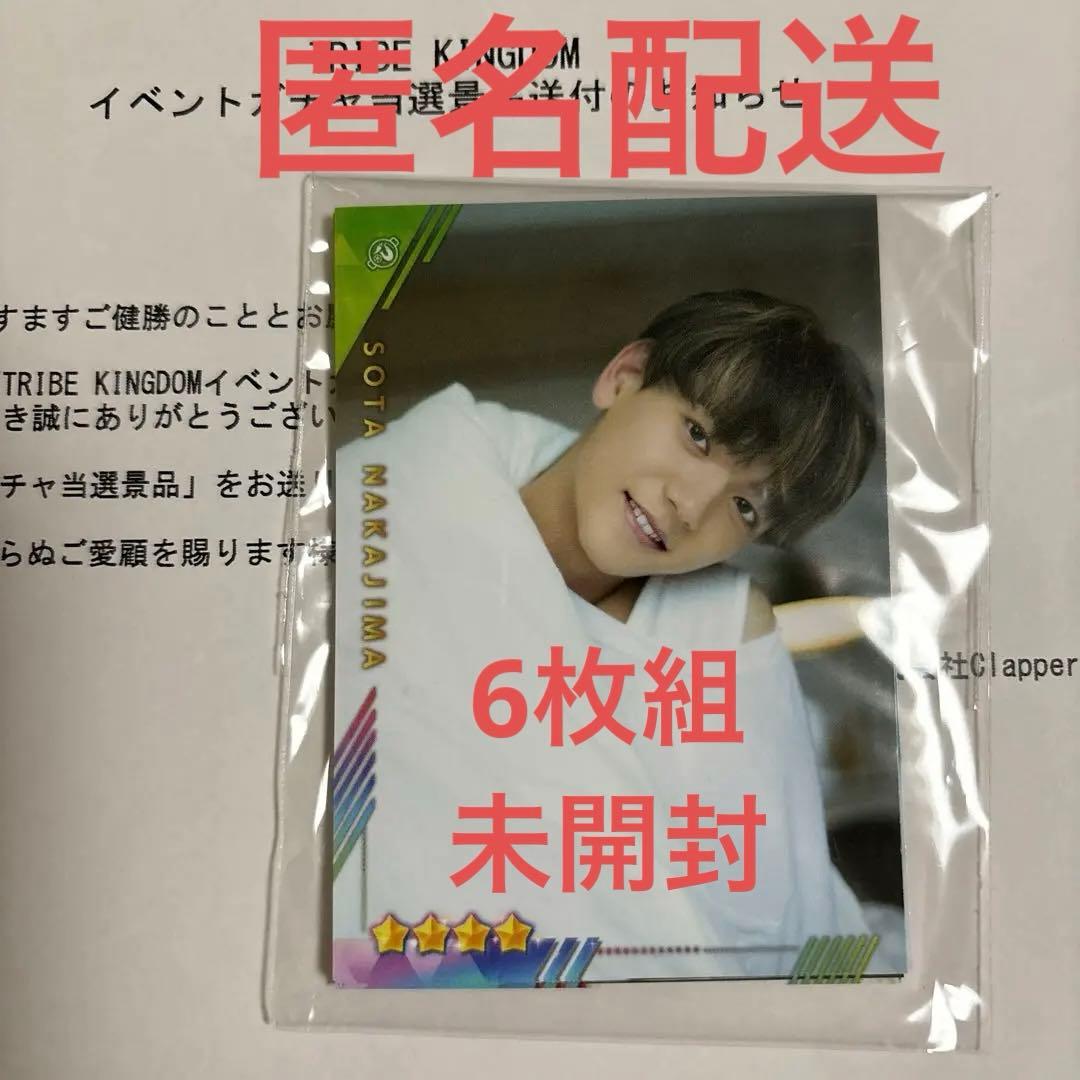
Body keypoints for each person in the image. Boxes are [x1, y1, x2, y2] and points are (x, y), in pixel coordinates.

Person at [333, 289, 879, 982]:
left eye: (745, 506)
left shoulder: (721, 629)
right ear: (623, 378)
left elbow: (771, 907)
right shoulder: (399, 494)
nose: (691, 504)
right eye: (697, 435)